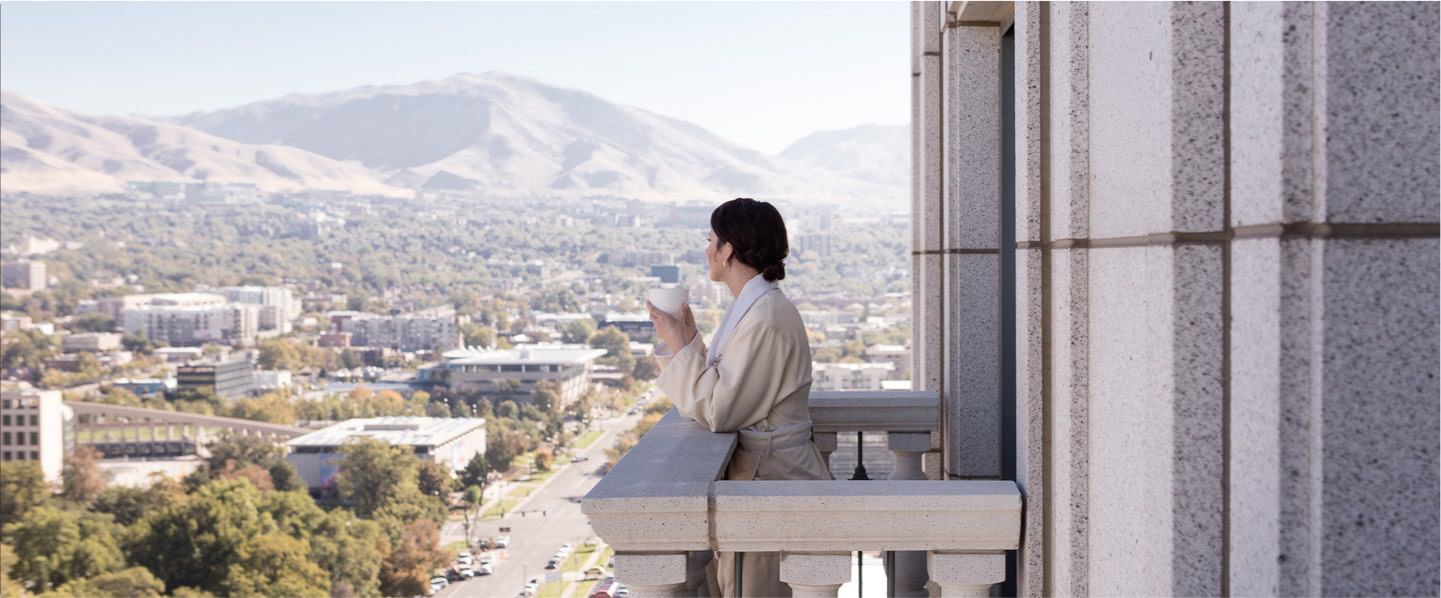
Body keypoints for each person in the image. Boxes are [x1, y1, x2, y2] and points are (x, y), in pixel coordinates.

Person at [647, 197, 831, 597]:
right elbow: (726, 385)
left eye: (711, 239)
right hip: (763, 475)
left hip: (774, 479)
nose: (706, 248)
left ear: (727, 249)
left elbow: (721, 409)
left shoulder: (765, 316)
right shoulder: (755, 307)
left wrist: (678, 342)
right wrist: (689, 340)